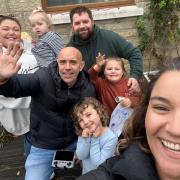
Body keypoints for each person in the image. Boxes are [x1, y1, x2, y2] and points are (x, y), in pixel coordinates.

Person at [0, 44, 95, 180]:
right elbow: (17, 86)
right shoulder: (42, 77)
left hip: (75, 143)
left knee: (97, 170)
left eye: (73, 62)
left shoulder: (88, 88)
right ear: (57, 62)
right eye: (63, 62)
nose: (67, 67)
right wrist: (2, 79)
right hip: (44, 146)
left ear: (81, 65)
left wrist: (85, 145)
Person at [75, 57, 180, 180]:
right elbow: (90, 77)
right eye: (161, 108)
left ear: (123, 71)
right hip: (109, 123)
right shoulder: (102, 83)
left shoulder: (129, 84)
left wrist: (130, 101)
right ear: (145, 113)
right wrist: (97, 66)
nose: (176, 129)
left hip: (122, 124)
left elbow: (137, 99)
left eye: (116, 69)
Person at [68, 6, 143, 93]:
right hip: (86, 97)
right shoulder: (70, 49)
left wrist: (134, 76)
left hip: (114, 94)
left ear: (92, 22)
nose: (82, 26)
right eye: (77, 23)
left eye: (85, 21)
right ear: (72, 26)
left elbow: (134, 53)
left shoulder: (109, 38)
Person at [0, 15, 39, 156]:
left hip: (35, 108)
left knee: (33, 136)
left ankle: (33, 156)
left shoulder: (29, 52)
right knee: (28, 136)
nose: (11, 32)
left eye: (16, 29)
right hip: (14, 111)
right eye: (5, 29)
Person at [72, 97, 118, 174]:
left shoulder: (111, 138)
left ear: (99, 112)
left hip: (101, 176)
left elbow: (98, 164)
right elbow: (81, 156)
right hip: (86, 175)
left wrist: (95, 139)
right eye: (81, 120)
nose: (86, 122)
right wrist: (85, 139)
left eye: (88, 115)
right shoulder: (84, 133)